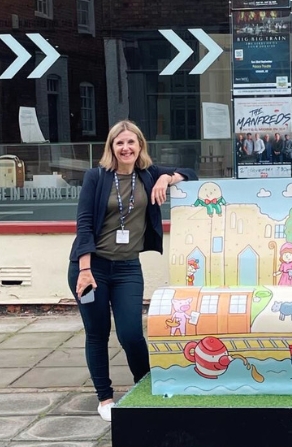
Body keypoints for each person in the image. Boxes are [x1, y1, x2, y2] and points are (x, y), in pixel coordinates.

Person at [68, 120, 197, 422]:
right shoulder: (96, 178)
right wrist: (85, 269)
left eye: (131, 143)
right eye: (119, 143)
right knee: (97, 333)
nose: (126, 148)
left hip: (127, 268)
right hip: (91, 267)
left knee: (131, 334)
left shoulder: (148, 174)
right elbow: (84, 224)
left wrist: (168, 178)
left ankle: (147, 387)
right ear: (111, 148)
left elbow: (191, 173)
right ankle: (105, 397)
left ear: (140, 146)